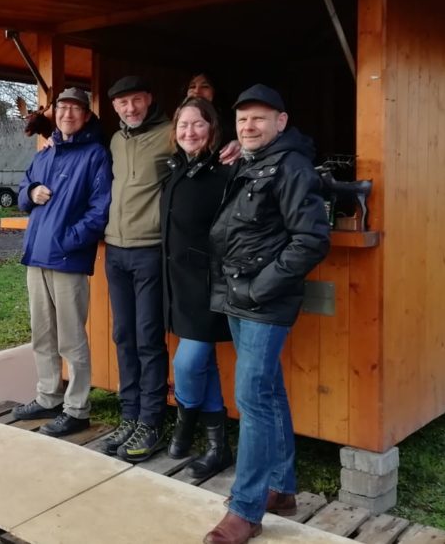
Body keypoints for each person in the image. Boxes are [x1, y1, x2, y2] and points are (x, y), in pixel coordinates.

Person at [202, 84, 331, 544]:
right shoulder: (252, 161)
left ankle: (246, 508)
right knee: (269, 393)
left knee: (253, 399)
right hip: (239, 295)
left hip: (263, 300)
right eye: (242, 120)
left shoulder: (292, 166)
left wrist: (260, 287)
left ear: (282, 121)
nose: (249, 126)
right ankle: (281, 488)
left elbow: (311, 239)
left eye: (258, 118)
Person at [12, 87, 112, 437]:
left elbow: (100, 210)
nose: (68, 114)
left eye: (75, 109)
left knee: (71, 339)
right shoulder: (45, 152)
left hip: (67, 259)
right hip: (36, 257)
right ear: (54, 114)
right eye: (62, 108)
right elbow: (23, 190)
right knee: (42, 334)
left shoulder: (96, 155)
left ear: (86, 116)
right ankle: (48, 396)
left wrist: (68, 241)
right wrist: (30, 193)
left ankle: (77, 408)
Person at [97, 75, 174, 461]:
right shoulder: (115, 139)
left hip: (150, 251)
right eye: (123, 103)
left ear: (149, 99)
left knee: (148, 338)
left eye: (136, 101)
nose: (130, 109)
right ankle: (129, 416)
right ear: (115, 107)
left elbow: (203, 148)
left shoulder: (172, 133)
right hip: (115, 251)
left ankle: (151, 421)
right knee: (123, 335)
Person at [159, 97, 235, 479]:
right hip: (177, 286)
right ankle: (219, 447)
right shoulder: (175, 171)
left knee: (188, 363)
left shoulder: (225, 172)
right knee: (202, 364)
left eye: (197, 124)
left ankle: (185, 423)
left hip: (208, 286)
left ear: (212, 129)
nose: (189, 132)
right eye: (183, 125)